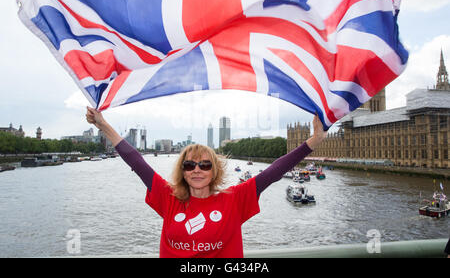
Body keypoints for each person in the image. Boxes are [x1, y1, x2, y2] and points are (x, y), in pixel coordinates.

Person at [86, 107, 326, 258]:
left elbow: (274, 172)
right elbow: (137, 163)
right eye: (190, 165)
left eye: (204, 165)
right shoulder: (168, 198)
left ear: (214, 171)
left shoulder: (234, 199)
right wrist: (103, 125)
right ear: (183, 171)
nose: (197, 170)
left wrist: (313, 142)